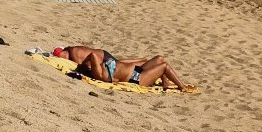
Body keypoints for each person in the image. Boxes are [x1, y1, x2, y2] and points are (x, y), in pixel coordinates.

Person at [53, 45, 186, 90]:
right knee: (164, 66)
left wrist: (84, 63)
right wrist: (85, 64)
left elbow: (93, 55)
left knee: (159, 58)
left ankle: (165, 84)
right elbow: (93, 55)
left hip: (137, 71)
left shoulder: (100, 68)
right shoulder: (99, 74)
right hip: (137, 78)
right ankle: (182, 87)